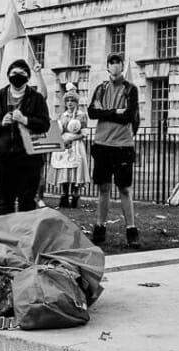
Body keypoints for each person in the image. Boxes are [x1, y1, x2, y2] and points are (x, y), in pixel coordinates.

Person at [0, 59, 51, 214]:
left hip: (29, 158)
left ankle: (24, 235)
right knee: (5, 199)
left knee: (27, 200)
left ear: (27, 76)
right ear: (8, 75)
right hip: (4, 157)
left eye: (22, 73)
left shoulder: (36, 98)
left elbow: (45, 124)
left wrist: (25, 120)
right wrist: (1, 123)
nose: (17, 76)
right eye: (14, 73)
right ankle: (4, 234)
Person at [87, 54, 140, 247]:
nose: (115, 66)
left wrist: (107, 112)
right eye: (112, 63)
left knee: (124, 188)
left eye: (118, 63)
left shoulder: (130, 89)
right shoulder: (101, 88)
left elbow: (128, 115)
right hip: (102, 144)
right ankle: (100, 227)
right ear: (107, 66)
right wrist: (114, 111)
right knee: (103, 187)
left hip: (122, 145)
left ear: (122, 66)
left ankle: (131, 229)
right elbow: (92, 112)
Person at [52, 87, 88, 209]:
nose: (70, 103)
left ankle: (75, 196)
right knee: (64, 169)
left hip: (76, 144)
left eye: (72, 100)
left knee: (76, 170)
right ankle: (64, 195)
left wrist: (72, 138)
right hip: (64, 145)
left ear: (76, 102)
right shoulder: (63, 116)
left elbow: (84, 133)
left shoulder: (81, 115)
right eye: (67, 100)